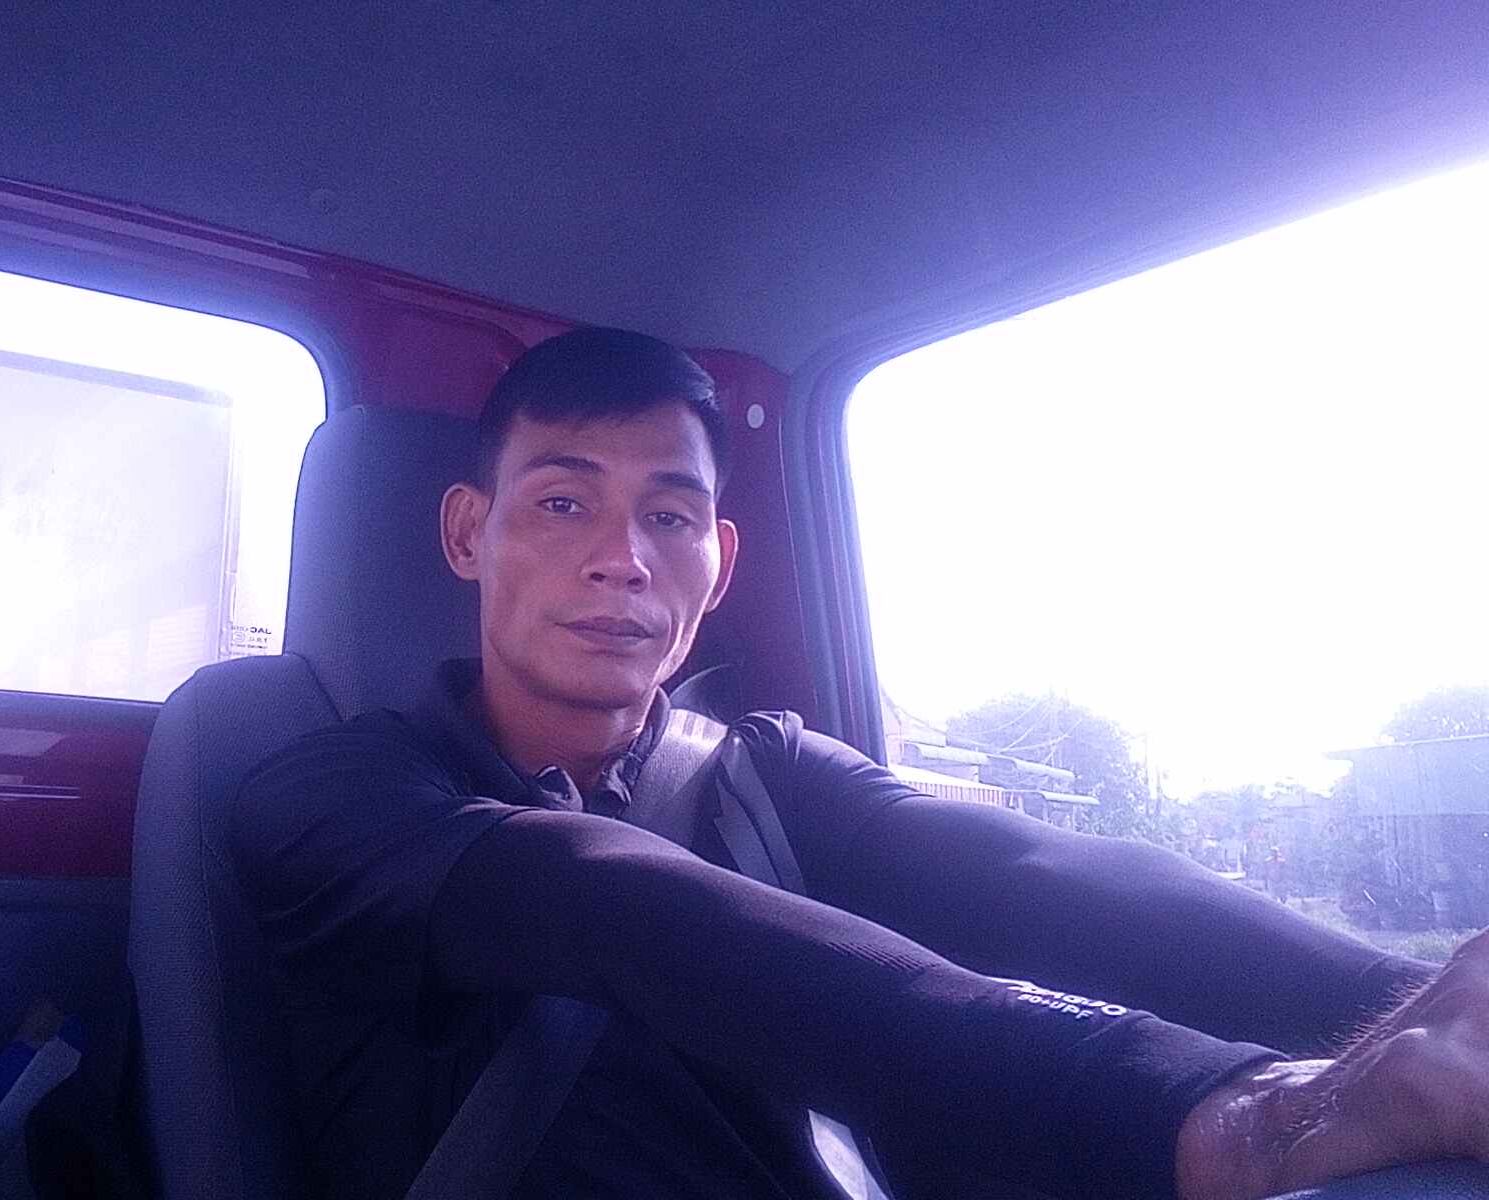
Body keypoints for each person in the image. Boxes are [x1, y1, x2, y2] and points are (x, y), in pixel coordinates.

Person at [231, 328, 1486, 1200]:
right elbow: (607, 905)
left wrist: (1419, 1002)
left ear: (718, 563)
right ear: (469, 532)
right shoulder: (333, 799)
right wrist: (1245, 1117)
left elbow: (1034, 872)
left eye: (669, 516)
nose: (624, 557)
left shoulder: (762, 772)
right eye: (563, 503)